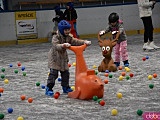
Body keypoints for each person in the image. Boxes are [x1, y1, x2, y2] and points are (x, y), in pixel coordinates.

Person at [45, 20, 91, 96]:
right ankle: (49, 88)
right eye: (65, 30)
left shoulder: (69, 37)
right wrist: (63, 45)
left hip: (63, 58)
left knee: (65, 73)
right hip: (54, 58)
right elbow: (56, 46)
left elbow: (75, 41)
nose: (67, 31)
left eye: (68, 29)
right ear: (61, 30)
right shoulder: (55, 37)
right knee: (53, 74)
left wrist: (84, 42)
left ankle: (65, 87)